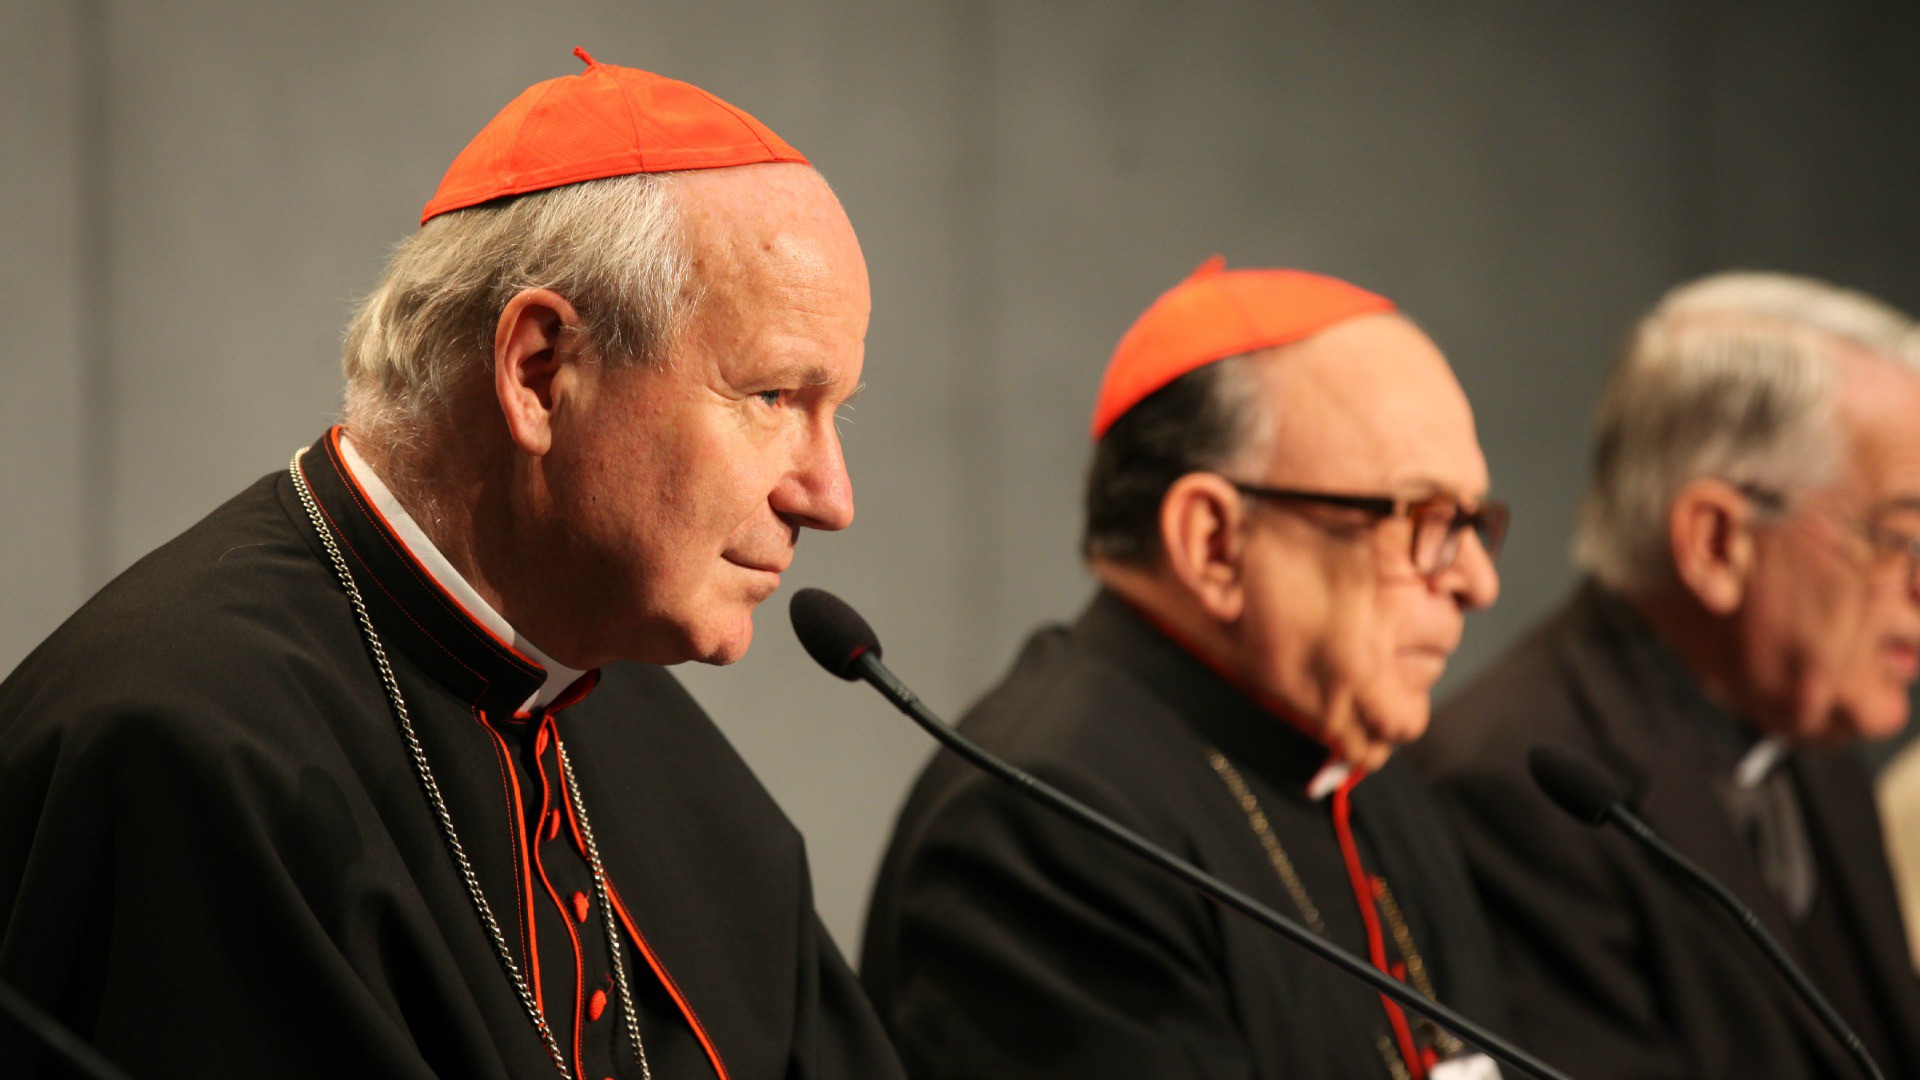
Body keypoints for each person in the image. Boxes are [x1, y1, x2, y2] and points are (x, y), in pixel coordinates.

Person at [0, 50, 903, 1079]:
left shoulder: (682, 779)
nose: (831, 498)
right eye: (775, 397)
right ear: (538, 371)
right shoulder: (185, 746)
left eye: (840, 414)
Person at [862, 258, 1511, 1078]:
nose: (1477, 582)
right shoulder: (1048, 826)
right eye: (1423, 517)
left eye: (1474, 522)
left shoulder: (1372, 783)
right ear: (1213, 542)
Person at [1413, 272, 1920, 1078]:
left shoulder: (1807, 730)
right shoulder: (1511, 789)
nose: (1917, 585)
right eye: (1900, 538)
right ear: (1718, 541)